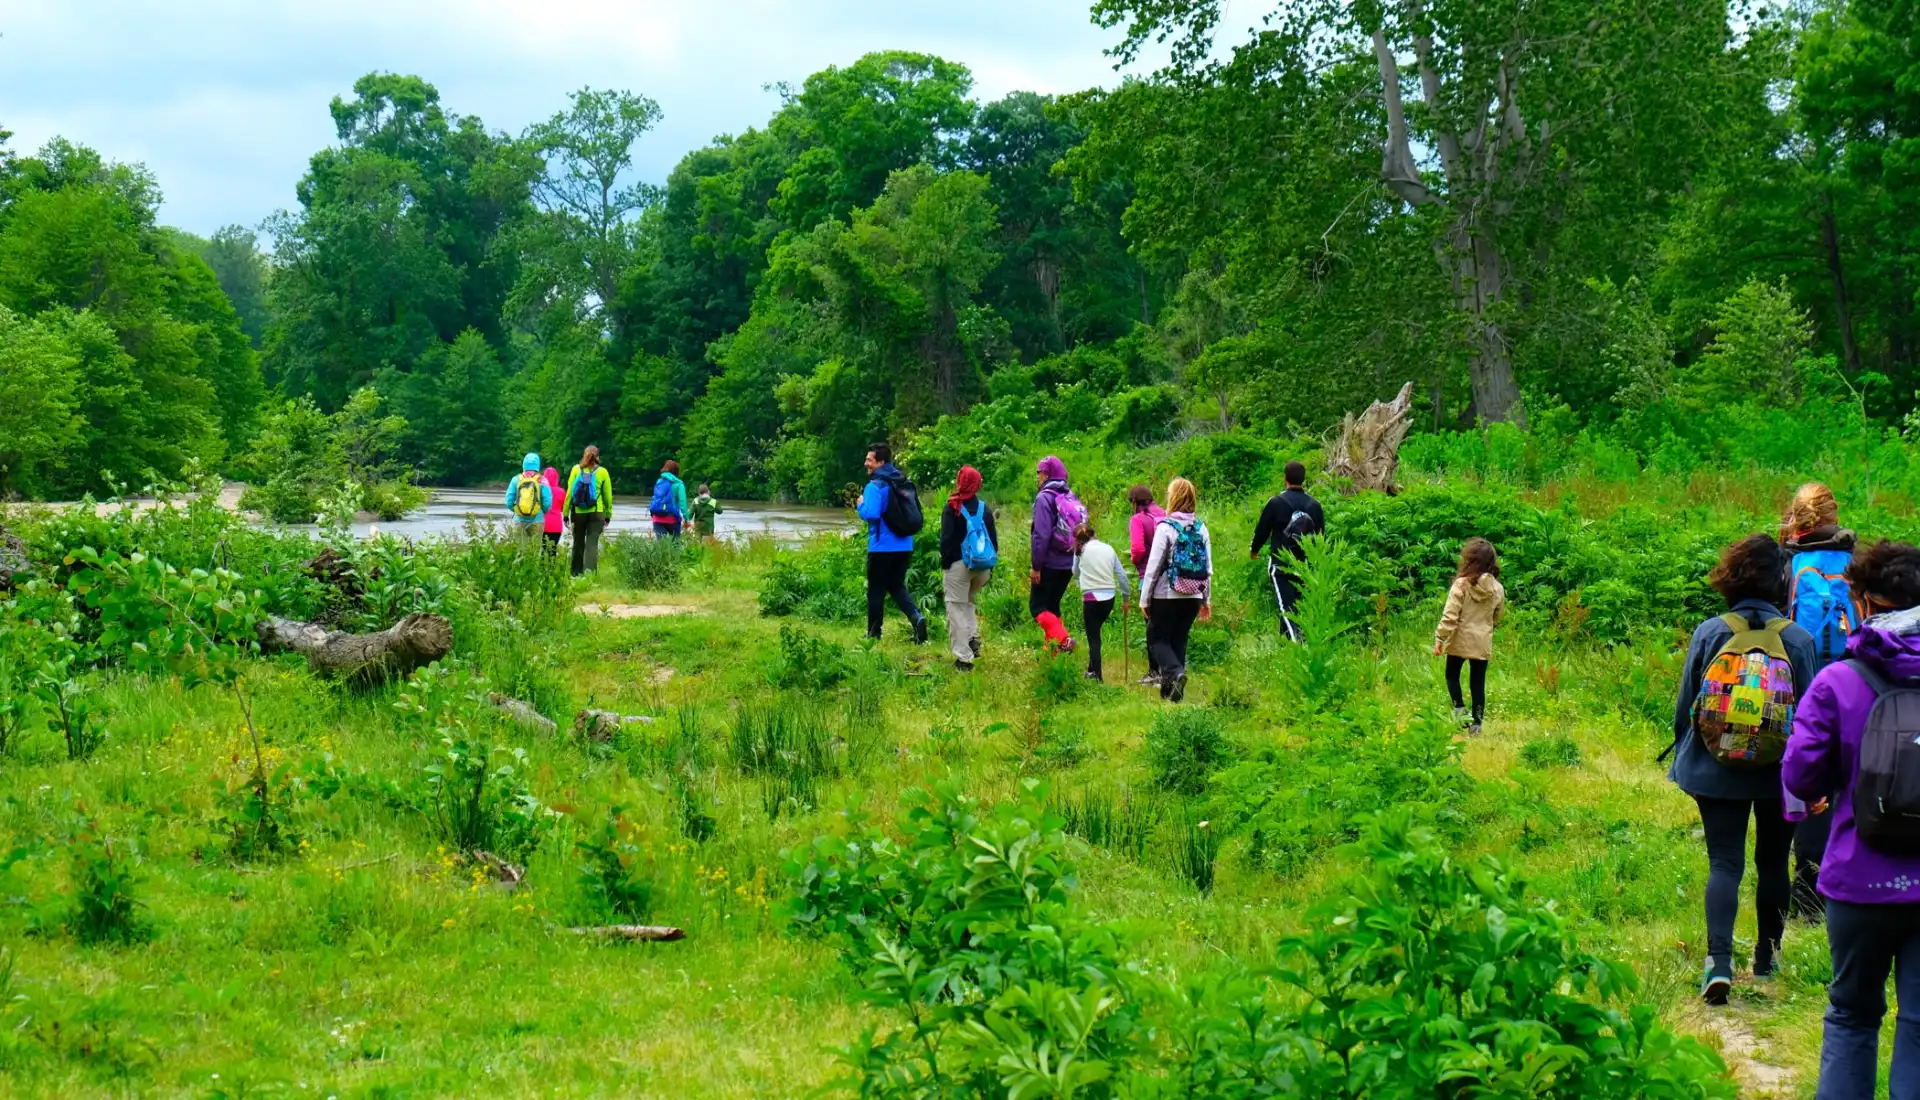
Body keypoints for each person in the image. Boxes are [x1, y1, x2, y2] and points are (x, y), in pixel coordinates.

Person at [1784, 539, 1920, 1099]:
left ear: (1861, 602)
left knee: (1851, 1015)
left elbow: (1800, 777)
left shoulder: (1839, 682)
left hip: (1858, 879)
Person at [1669, 533, 1818, 1005]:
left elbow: (1685, 709)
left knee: (1725, 863)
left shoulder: (1711, 632)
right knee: (1773, 862)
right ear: (1781, 581)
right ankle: (1767, 958)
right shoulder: (1797, 638)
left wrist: (1688, 755)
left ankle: (1718, 963)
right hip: (1780, 775)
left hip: (1716, 770)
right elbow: (1811, 716)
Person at [1783, 482, 1859, 921]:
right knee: (1852, 780)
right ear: (1834, 517)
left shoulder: (1791, 567)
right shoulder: (1855, 564)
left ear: (1795, 518)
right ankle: (1849, 879)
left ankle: (1807, 891)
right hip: (1857, 682)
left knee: (1811, 777)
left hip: (1808, 685)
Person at [1140, 477, 1212, 703]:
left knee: (1157, 638)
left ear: (1173, 498)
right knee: (1179, 639)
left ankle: (1175, 673)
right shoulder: (1201, 528)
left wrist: (1144, 600)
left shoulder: (1166, 527)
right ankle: (1171, 696)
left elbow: (1153, 566)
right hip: (1194, 594)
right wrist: (1205, 599)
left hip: (1167, 593)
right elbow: (1208, 568)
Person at [856, 443, 928, 644]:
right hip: (905, 545)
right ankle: (916, 617)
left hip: (881, 547)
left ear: (880, 462)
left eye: (869, 460)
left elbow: (871, 514)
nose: (866, 463)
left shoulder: (875, 486)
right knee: (896, 586)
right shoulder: (902, 482)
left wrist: (860, 505)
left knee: (876, 590)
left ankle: (873, 634)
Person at [1434, 538, 1505, 734]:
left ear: (1470, 559)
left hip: (1459, 640)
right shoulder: (1497, 588)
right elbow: (1498, 615)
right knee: (1477, 684)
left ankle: (1460, 712)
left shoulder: (1461, 585)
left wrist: (1440, 638)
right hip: (1482, 641)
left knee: (1452, 675)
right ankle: (1477, 725)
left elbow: (1450, 615)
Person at [1249, 461, 1324, 642]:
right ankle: (1286, 648)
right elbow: (1321, 536)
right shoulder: (1315, 505)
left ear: (1285, 478)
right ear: (1303, 479)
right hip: (1306, 565)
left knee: (1286, 608)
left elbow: (1262, 530)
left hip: (1281, 564)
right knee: (1298, 607)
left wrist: (1255, 550)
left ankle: (1299, 646)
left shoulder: (1276, 503)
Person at [938, 465, 997, 670]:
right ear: (977, 484)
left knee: (956, 607)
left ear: (960, 482)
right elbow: (993, 542)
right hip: (982, 567)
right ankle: (973, 641)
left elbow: (946, 541)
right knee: (969, 602)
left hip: (958, 566)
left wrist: (945, 565)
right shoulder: (985, 509)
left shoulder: (952, 507)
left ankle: (964, 658)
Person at [1030, 456, 1083, 653]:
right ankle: (1051, 654)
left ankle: (1064, 640)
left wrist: (1036, 566)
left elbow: (1041, 534)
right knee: (1052, 606)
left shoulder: (1045, 497)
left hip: (1049, 563)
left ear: (1047, 474)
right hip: (1069, 562)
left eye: (1039, 472)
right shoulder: (1070, 496)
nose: (1038, 476)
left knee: (1038, 607)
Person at [1074, 521, 1131, 682]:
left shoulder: (1080, 551)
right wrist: (1126, 598)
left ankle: (1097, 676)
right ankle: (1091, 669)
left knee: (1094, 638)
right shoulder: (1108, 549)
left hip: (1091, 598)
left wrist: (1082, 580)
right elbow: (1122, 576)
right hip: (1109, 598)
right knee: (1096, 631)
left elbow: (1075, 572)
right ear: (1094, 534)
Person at [1128, 485, 1167, 685]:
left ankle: (1154, 672)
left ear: (1134, 502)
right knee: (1166, 625)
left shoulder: (1137, 519)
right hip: (1169, 576)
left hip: (1149, 577)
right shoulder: (1164, 513)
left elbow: (1137, 548)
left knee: (1151, 625)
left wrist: (1136, 561)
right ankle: (1171, 670)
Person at [564, 446, 614, 576]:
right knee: (592, 544)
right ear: (597, 457)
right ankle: (590, 574)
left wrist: (565, 514)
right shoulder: (603, 472)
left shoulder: (576, 469)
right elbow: (607, 497)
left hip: (578, 512)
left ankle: (575, 574)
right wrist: (608, 514)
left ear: (584, 455)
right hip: (596, 513)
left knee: (578, 543)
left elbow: (569, 493)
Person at [503, 453, 552, 541]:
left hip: (519, 520)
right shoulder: (542, 480)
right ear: (538, 465)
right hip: (537, 520)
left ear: (524, 465)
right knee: (535, 552)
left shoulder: (516, 479)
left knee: (520, 551)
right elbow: (547, 502)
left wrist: (518, 510)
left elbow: (508, 501)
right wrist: (540, 511)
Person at [649, 460, 689, 540]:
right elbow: (683, 503)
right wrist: (687, 519)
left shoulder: (659, 481)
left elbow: (655, 498)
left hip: (657, 518)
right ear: (676, 471)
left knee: (661, 546)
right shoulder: (679, 484)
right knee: (676, 545)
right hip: (672, 519)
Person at [540, 465, 565, 556]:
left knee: (542, 551)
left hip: (543, 524)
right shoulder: (561, 492)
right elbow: (563, 508)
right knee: (553, 551)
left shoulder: (541, 490)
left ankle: (541, 569)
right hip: (556, 525)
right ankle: (552, 569)